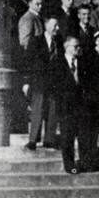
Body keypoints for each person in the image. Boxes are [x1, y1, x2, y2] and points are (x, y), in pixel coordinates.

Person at [52, 37, 95, 174]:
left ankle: (85, 163)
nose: (78, 49)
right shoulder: (57, 63)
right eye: (75, 46)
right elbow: (54, 86)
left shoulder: (83, 62)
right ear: (67, 47)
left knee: (84, 135)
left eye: (79, 46)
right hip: (66, 107)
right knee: (67, 137)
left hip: (82, 106)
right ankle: (70, 166)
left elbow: (88, 83)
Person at [23, 17, 62, 150]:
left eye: (58, 26)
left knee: (53, 111)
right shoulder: (36, 40)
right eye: (55, 25)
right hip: (39, 82)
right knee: (37, 111)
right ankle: (33, 140)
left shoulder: (59, 42)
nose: (57, 28)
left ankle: (49, 140)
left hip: (54, 83)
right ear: (46, 26)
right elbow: (27, 61)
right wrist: (26, 81)